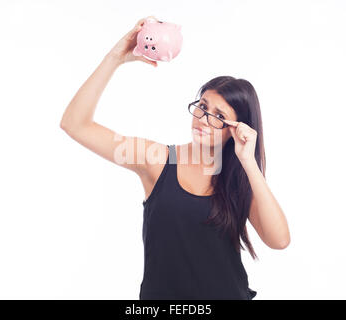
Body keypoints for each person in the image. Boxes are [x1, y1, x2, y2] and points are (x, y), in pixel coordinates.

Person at [60, 16, 291, 300]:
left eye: (220, 116)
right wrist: (115, 58)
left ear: (237, 129)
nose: (204, 119)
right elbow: (75, 124)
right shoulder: (157, 159)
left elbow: (279, 240)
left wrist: (249, 162)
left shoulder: (240, 179)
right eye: (203, 106)